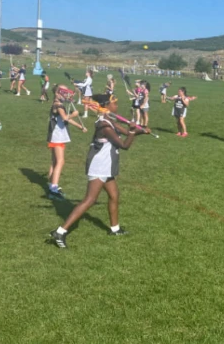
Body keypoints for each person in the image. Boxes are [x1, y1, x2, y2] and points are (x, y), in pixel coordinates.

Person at [49, 94, 150, 248]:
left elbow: (124, 131)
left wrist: (141, 131)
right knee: (89, 200)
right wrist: (131, 131)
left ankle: (115, 229)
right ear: (107, 106)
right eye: (114, 103)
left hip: (107, 166)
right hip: (99, 166)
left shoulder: (110, 121)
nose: (117, 106)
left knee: (114, 195)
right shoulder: (104, 125)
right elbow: (124, 145)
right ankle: (60, 231)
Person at [47, 85, 88, 199]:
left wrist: (80, 126)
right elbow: (65, 118)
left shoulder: (60, 104)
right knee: (60, 161)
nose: (66, 94)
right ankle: (53, 189)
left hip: (57, 136)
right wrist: (73, 115)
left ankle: (51, 184)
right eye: (63, 91)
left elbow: (66, 119)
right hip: (57, 136)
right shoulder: (58, 104)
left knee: (55, 161)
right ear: (57, 93)